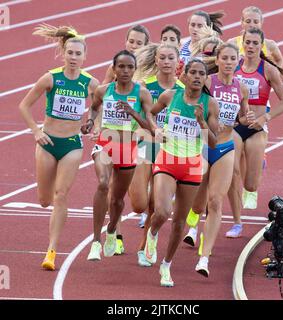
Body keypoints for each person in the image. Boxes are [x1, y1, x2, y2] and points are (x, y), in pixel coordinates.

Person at [19, 24, 99, 270]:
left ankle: (51, 251)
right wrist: (36, 131)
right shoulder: (50, 78)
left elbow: (101, 105)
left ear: (85, 57)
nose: (74, 58)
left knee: (61, 195)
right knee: (44, 200)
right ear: (63, 53)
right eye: (70, 53)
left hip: (72, 145)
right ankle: (49, 220)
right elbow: (24, 105)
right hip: (48, 143)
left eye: (78, 54)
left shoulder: (90, 82)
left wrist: (93, 123)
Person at [144, 58, 219, 286]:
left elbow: (213, 143)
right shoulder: (170, 96)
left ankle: (166, 265)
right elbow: (150, 113)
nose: (197, 77)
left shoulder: (209, 104)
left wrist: (201, 122)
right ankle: (152, 233)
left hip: (192, 166)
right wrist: (156, 129)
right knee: (163, 211)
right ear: (184, 76)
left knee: (179, 222)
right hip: (167, 159)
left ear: (205, 78)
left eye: (201, 74)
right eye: (193, 72)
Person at [184, 43, 251, 277]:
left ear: (238, 61)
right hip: (202, 144)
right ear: (219, 60)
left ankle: (204, 257)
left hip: (225, 146)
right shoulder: (208, 82)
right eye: (225, 58)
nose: (229, 62)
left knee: (215, 201)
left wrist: (245, 118)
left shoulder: (242, 88)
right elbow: (189, 100)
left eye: (234, 58)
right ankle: (193, 220)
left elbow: (242, 116)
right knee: (198, 198)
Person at [82, 50, 153, 261]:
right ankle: (96, 242)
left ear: (135, 69)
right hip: (106, 143)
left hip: (128, 147)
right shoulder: (104, 91)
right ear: (114, 69)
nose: (125, 70)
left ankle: (112, 229)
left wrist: (133, 113)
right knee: (103, 184)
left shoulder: (142, 94)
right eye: (121, 66)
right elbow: (93, 110)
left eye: (130, 67)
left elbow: (150, 126)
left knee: (118, 201)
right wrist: (89, 122)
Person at [226, 27, 283, 238]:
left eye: (255, 43)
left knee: (250, 184)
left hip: (257, 129)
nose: (251, 46)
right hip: (235, 126)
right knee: (232, 173)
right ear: (242, 43)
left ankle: (257, 165)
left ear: (261, 46)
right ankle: (237, 222)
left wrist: (264, 118)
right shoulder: (234, 66)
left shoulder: (268, 70)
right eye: (248, 42)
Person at [129, 44, 184, 267]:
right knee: (139, 205)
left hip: (169, 150)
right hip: (144, 145)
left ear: (178, 61)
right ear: (157, 60)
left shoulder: (183, 91)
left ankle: (144, 247)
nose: (166, 62)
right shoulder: (145, 86)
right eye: (162, 58)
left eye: (171, 58)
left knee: (154, 206)